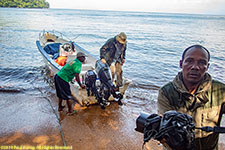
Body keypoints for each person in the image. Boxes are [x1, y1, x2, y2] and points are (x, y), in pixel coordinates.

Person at [157, 44, 225, 150]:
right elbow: (165, 128)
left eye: (202, 62)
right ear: (181, 64)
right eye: (189, 61)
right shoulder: (166, 92)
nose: (195, 67)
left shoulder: (220, 91)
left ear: (207, 66)